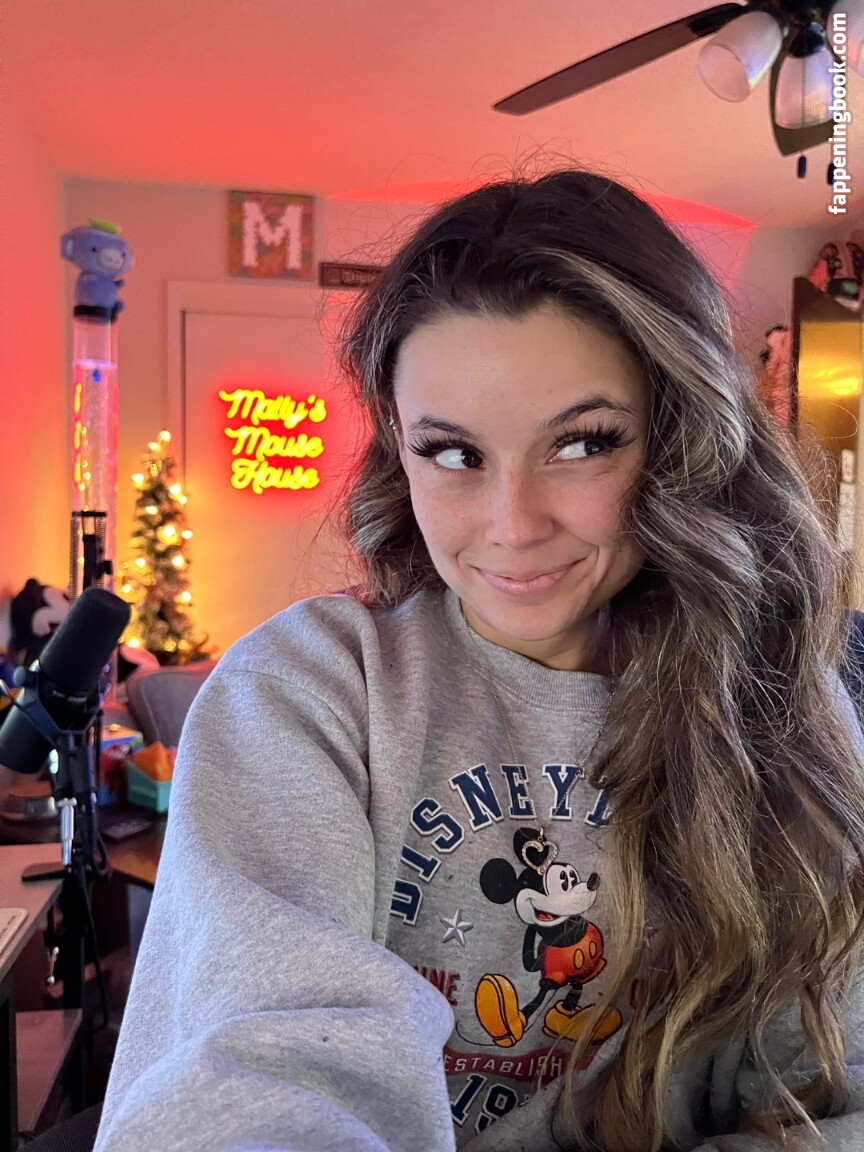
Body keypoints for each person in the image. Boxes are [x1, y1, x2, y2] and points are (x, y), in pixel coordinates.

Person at [94, 169, 864, 1152]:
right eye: (455, 454)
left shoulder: (778, 705)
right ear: (401, 455)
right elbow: (261, 1070)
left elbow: (832, 1087)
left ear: (679, 439)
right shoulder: (308, 691)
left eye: (581, 444)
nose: (512, 526)